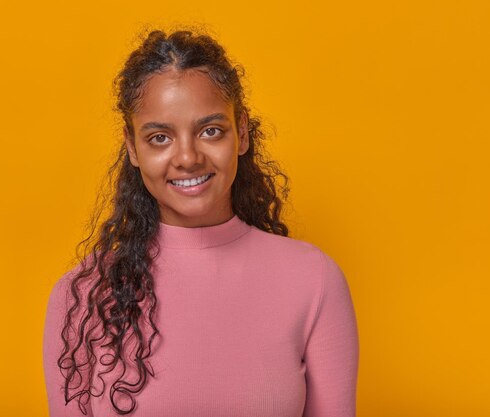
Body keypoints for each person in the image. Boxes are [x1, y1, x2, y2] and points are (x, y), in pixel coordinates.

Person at [42, 29, 359, 417]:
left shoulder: (314, 280)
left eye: (211, 131)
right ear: (132, 148)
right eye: (160, 137)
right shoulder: (83, 297)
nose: (188, 157)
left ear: (241, 133)